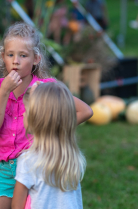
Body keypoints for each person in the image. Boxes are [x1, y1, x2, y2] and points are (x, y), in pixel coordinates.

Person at [0, 22, 93, 209]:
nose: (15, 61)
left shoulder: (44, 89)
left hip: (37, 166)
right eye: (10, 55)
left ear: (36, 58)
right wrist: (4, 92)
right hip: (7, 171)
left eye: (23, 55)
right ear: (3, 56)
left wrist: (52, 128)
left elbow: (85, 111)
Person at [12, 81, 86, 209]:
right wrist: (54, 93)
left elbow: (16, 206)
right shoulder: (74, 158)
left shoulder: (28, 160)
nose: (23, 114)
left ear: (37, 118)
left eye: (26, 110)